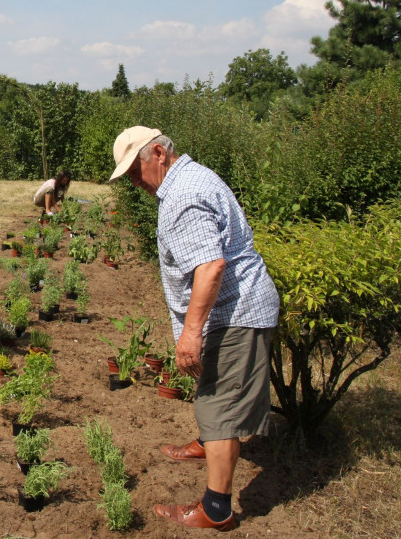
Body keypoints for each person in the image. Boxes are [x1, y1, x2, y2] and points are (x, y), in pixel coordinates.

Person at [109, 126, 279, 531]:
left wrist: (191, 332)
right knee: (214, 390)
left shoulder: (183, 196)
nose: (135, 181)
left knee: (219, 405)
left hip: (234, 315)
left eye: (136, 170)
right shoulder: (189, 178)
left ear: (158, 154)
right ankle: (208, 444)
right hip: (233, 311)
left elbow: (211, 265)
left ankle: (216, 509)